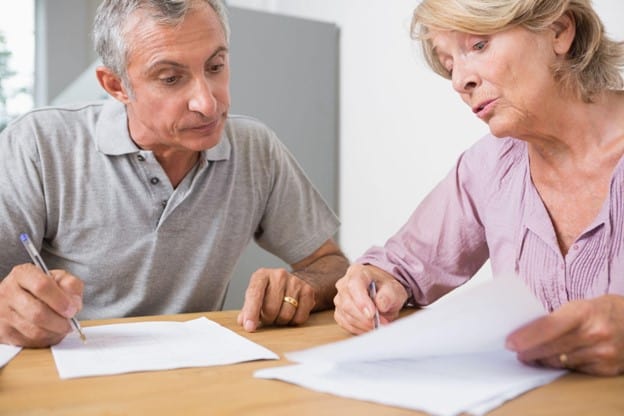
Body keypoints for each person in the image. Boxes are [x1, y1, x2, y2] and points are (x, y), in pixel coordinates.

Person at [0, 0, 349, 348]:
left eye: (216, 66)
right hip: (64, 374)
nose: (207, 104)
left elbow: (331, 265)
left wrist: (302, 287)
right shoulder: (39, 144)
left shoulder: (255, 148)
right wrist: (10, 309)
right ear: (116, 86)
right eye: (171, 79)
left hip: (192, 378)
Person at [334, 0, 624, 377]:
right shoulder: (489, 166)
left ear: (559, 30)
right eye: (449, 63)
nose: (459, 82)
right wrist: (370, 285)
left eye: (478, 45)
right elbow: (400, 267)